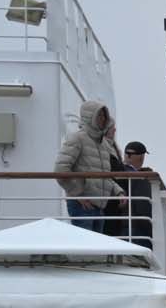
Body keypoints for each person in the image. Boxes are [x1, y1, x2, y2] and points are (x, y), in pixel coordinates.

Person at [53, 100, 123, 233]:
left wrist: (118, 192)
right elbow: (60, 170)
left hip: (99, 205)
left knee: (95, 246)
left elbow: (104, 175)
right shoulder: (77, 138)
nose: (103, 119)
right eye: (99, 115)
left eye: (104, 116)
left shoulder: (103, 144)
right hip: (82, 205)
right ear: (89, 117)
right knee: (85, 245)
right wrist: (77, 195)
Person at [120, 141, 156, 247]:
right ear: (141, 157)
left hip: (121, 225)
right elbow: (143, 205)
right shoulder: (140, 178)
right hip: (138, 227)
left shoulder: (117, 171)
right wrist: (151, 228)